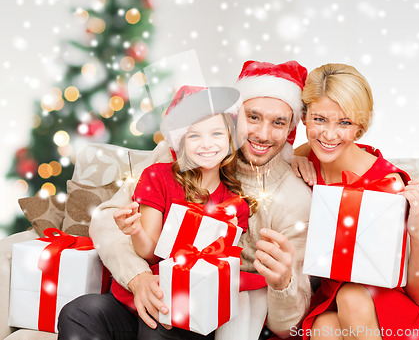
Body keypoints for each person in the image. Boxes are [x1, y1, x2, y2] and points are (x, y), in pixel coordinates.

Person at [58, 60, 313, 340]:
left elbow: (289, 326)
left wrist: (282, 283)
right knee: (81, 313)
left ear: (290, 128)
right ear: (235, 117)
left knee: (165, 326)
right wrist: (138, 277)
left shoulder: (295, 198)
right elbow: (107, 220)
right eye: (253, 117)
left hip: (208, 316)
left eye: (278, 122)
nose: (263, 135)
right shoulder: (183, 153)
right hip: (149, 293)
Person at [291, 63, 419, 340]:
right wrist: (288, 160)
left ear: (360, 127)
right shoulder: (308, 154)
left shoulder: (387, 183)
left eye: (344, 123)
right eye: (319, 120)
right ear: (304, 118)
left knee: (352, 295)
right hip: (335, 300)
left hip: (396, 305)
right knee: (323, 329)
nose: (329, 135)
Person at [113, 85, 250, 339]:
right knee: (81, 311)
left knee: (158, 327)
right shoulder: (158, 177)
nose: (206, 144)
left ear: (230, 139)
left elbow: (215, 272)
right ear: (182, 141)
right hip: (140, 296)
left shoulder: (236, 206)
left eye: (216, 133)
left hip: (189, 308)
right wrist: (135, 231)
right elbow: (149, 253)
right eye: (194, 135)